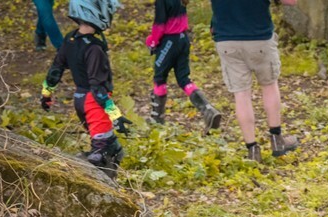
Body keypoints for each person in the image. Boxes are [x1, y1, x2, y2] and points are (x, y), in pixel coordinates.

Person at [41, 0, 131, 179]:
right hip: (93, 104)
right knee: (101, 153)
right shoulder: (94, 48)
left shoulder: (70, 39)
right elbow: (98, 88)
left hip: (79, 100)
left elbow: (56, 69)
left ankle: (111, 177)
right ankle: (102, 192)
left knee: (109, 145)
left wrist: (46, 93)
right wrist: (115, 115)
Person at [209, 0, 299, 162]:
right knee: (269, 86)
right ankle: (277, 141)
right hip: (259, 37)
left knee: (241, 95)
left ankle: (252, 149)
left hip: (226, 39)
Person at [146, 0, 222, 133]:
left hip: (169, 41)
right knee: (183, 79)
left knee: (159, 78)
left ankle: (157, 119)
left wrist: (153, 41)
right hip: (183, 39)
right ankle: (208, 110)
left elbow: (159, 25)